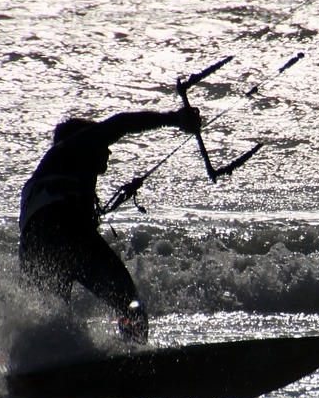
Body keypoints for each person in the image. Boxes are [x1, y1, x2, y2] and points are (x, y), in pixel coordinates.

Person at [18, 105, 202, 344]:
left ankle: (53, 362)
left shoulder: (42, 179)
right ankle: (133, 357)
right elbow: (121, 122)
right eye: (103, 145)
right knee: (128, 301)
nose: (108, 152)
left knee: (55, 321)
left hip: (34, 251)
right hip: (64, 232)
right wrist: (175, 119)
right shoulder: (72, 147)